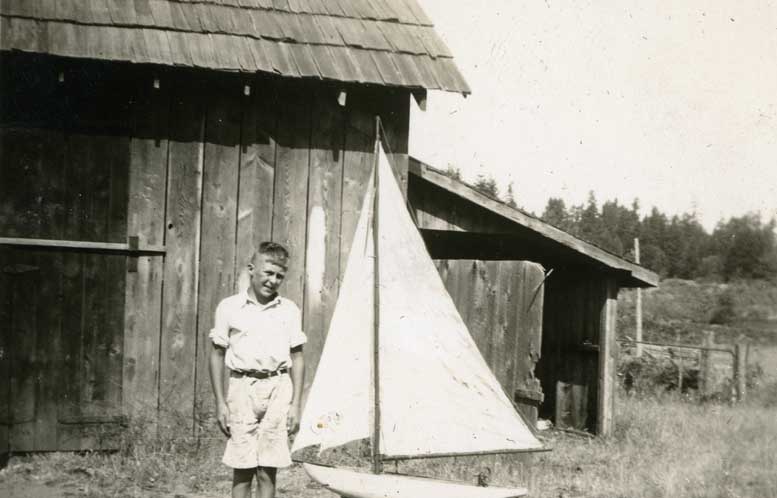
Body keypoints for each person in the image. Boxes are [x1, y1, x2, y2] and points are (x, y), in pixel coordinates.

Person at [208, 242, 306, 498]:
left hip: (278, 388)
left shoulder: (289, 310)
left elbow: (297, 357)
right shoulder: (229, 307)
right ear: (252, 269)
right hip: (242, 388)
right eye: (268, 273)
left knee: (267, 470)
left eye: (279, 276)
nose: (273, 281)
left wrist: (296, 404)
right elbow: (217, 355)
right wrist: (220, 403)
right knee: (242, 468)